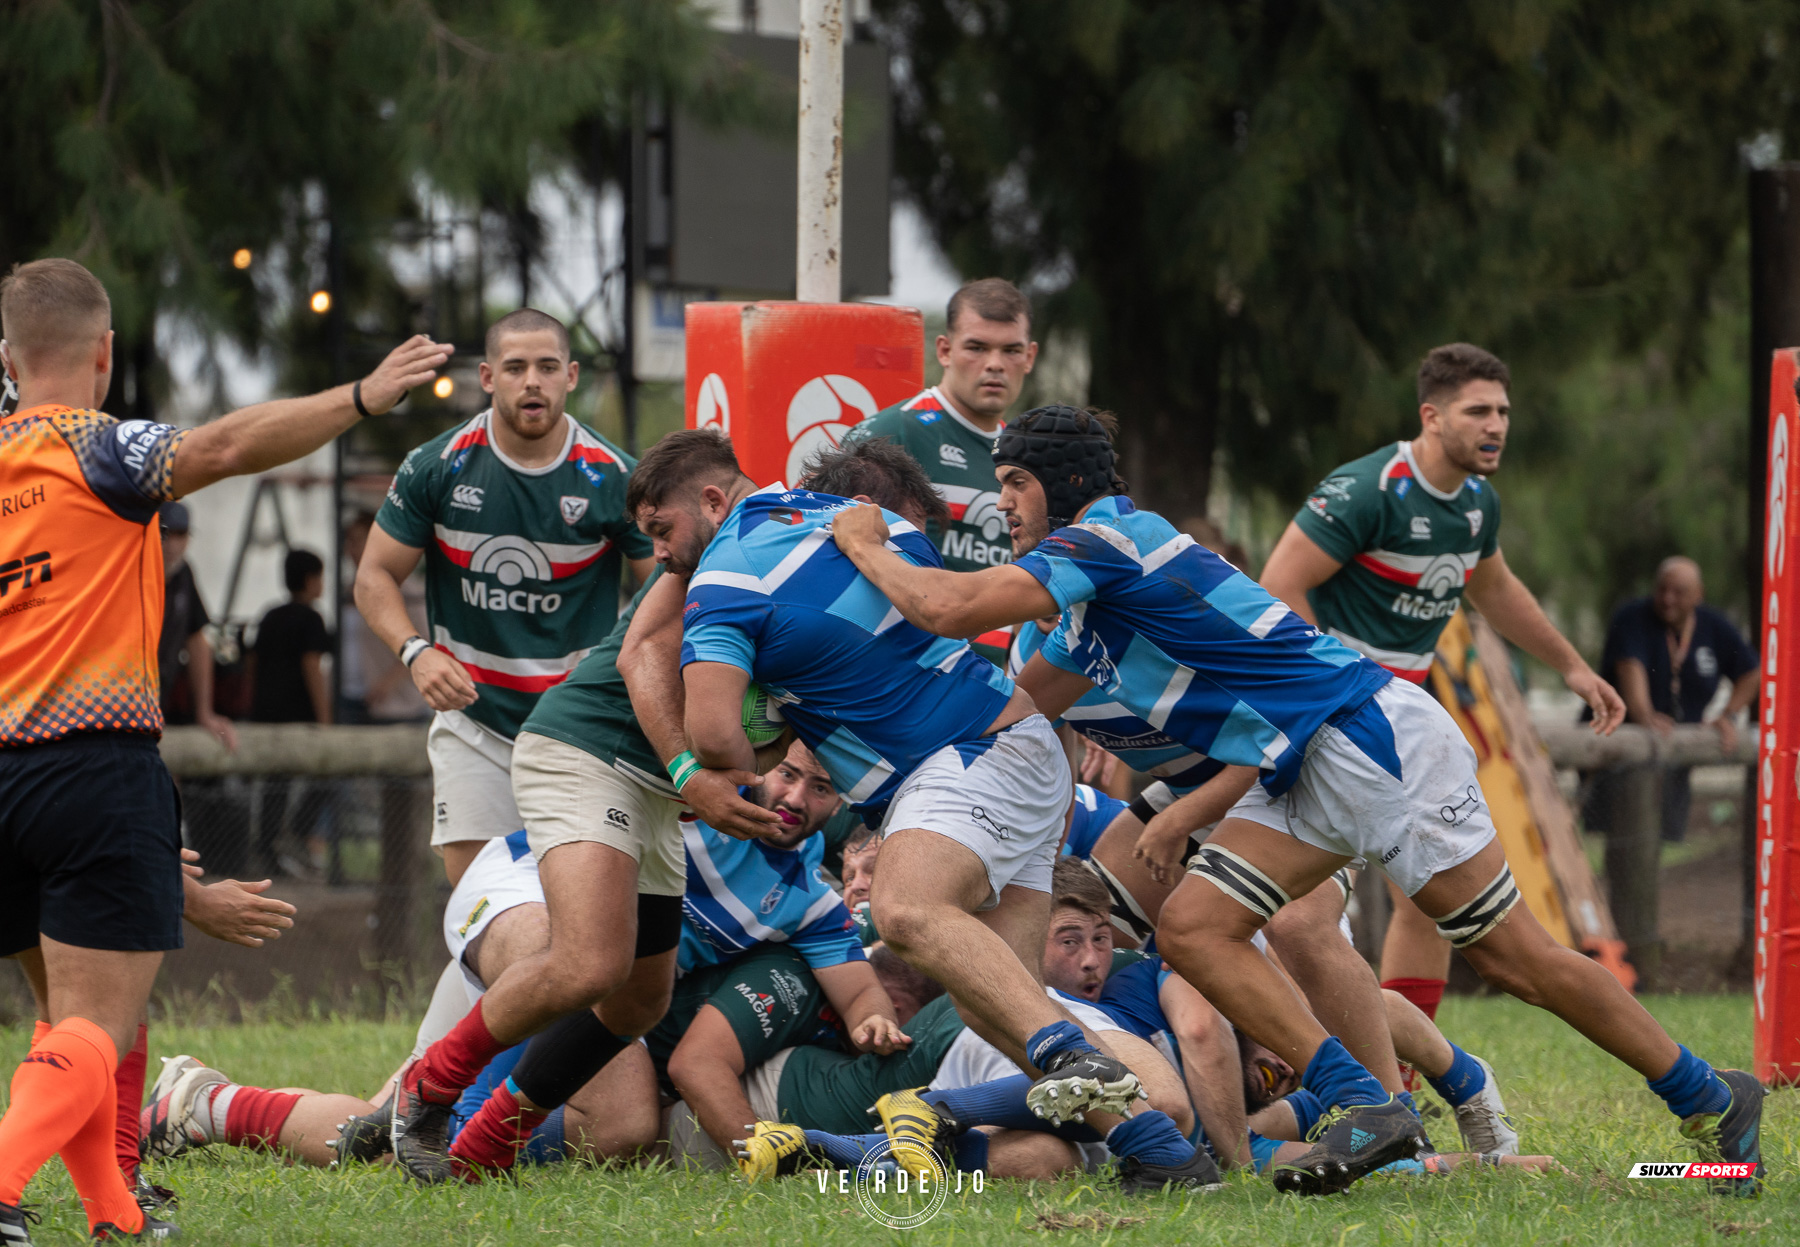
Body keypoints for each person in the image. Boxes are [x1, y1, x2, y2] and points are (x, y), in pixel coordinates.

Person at [829, 403, 1766, 1198]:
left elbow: (950, 607)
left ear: (1059, 483)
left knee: (1518, 960)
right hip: (1302, 766)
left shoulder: (1106, 538)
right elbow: (1011, 706)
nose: (1002, 503)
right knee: (1194, 928)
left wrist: (865, 542)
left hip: (1373, 736)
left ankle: (1709, 1095)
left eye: (1014, 484)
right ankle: (1369, 1104)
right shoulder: (1084, 614)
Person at [629, 428, 1219, 1195]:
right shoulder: (866, 525)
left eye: (662, 533)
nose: (663, 558)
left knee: (904, 908)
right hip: (1026, 749)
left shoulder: (722, 582)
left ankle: (1063, 1069)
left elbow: (720, 740)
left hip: (965, 759)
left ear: (711, 499)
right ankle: (1162, 1150)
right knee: (1000, 1009)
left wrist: (735, 729)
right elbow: (869, 653)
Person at [0, 255, 449, 1243]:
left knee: (65, 1012)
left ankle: (114, 1210)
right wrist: (362, 394)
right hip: (91, 759)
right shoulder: (101, 450)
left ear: (7, 357)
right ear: (105, 355)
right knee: (99, 1023)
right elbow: (231, 440)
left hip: (4, 772)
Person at [1258, 343, 1626, 1028]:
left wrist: (1572, 665)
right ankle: (1317, 1070)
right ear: (1432, 416)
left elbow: (1496, 588)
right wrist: (1335, 694)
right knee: (1299, 911)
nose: (1497, 425)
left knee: (1426, 902)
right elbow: (1279, 585)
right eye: (1478, 410)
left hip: (1407, 725)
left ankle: (1404, 1071)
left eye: (1504, 411)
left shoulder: (1478, 503)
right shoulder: (1368, 490)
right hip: (1332, 720)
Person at [354, 308, 654, 888]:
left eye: (546, 367)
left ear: (571, 376)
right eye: (515, 368)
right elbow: (373, 577)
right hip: (476, 724)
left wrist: (626, 675)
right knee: (481, 910)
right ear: (489, 378)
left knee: (583, 915)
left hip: (581, 728)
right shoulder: (436, 465)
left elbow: (671, 588)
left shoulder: (617, 477)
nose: (532, 382)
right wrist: (415, 651)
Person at [842, 278, 1038, 663]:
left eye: (1011, 350)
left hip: (994, 678)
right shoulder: (892, 432)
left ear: (1030, 357)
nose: (995, 363)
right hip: (907, 673)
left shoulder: (1023, 456)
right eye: (977, 347)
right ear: (945, 350)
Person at [1599, 556, 1758, 841]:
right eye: (1662, 589)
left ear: (1699, 595)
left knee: (1665, 840)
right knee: (1619, 840)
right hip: (1622, 752)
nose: (1668, 599)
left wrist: (1728, 715)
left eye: (1679, 592)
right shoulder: (1632, 617)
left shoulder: (1714, 626)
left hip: (1677, 756)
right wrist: (1645, 716)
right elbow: (1629, 668)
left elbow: (1752, 673)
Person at [155, 502, 236, 749]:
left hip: (158, 701)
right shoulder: (134, 570)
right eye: (166, 534)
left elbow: (198, 638)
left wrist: (204, 712)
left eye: (181, 535)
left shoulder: (183, 574)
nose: (173, 545)